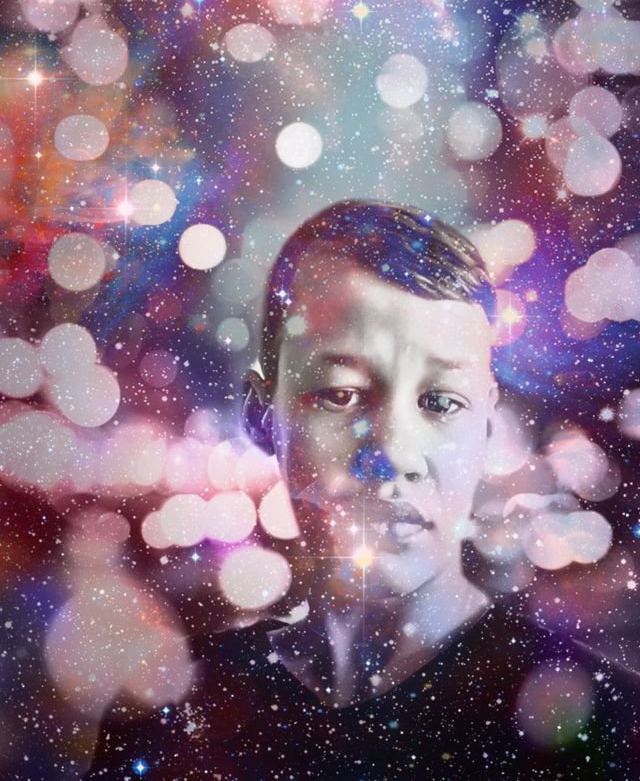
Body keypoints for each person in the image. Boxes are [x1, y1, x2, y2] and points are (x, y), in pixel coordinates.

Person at [87, 201, 640, 779]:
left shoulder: (606, 735)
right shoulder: (172, 711)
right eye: (340, 395)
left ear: (485, 425)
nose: (393, 453)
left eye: (441, 402)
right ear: (261, 416)